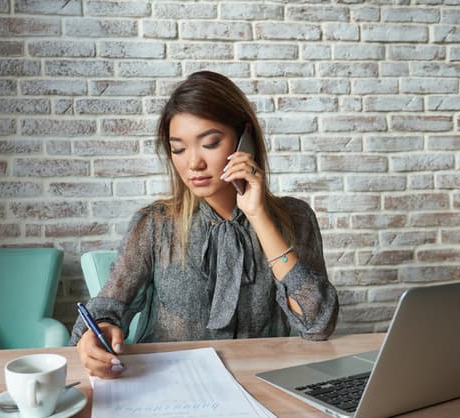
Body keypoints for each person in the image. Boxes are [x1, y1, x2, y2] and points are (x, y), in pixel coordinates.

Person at [70, 71, 339, 378]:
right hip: (171, 386)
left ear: (244, 138)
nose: (193, 163)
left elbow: (318, 324)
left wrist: (259, 216)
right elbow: (107, 307)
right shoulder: (155, 224)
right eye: (178, 149)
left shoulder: (296, 218)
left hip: (261, 384)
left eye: (209, 143)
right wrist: (99, 333)